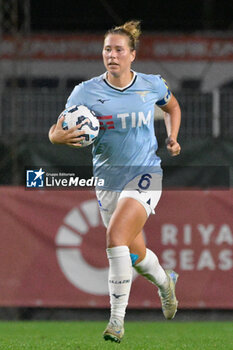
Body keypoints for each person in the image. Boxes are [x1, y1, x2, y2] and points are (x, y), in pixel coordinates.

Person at [49, 20, 181, 343]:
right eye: (107, 49)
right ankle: (166, 283)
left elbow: (173, 107)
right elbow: (56, 131)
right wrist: (60, 137)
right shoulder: (85, 92)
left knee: (115, 236)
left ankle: (116, 322)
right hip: (108, 181)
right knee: (134, 256)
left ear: (132, 55)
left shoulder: (150, 84)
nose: (112, 55)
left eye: (119, 50)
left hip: (146, 172)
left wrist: (173, 137)